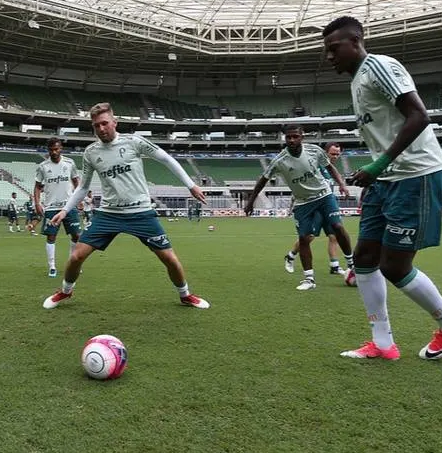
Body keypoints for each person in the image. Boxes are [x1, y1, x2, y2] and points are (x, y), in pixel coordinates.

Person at [322, 16, 442, 361]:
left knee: (394, 266)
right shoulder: (358, 80)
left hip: (416, 175)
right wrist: (377, 170)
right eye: (326, 50)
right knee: (364, 259)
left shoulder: (379, 67)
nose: (329, 57)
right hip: (387, 180)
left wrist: (378, 164)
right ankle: (383, 344)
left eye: (334, 49)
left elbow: (419, 115)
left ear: (356, 41)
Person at [42, 103, 209, 309]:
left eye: (104, 123)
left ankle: (185, 295)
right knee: (76, 256)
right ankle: (65, 292)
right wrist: (65, 210)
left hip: (141, 212)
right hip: (108, 214)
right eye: (96, 126)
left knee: (170, 258)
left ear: (114, 122)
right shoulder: (91, 153)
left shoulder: (134, 142)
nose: (101, 129)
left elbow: (166, 159)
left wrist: (191, 186)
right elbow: (82, 188)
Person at [244, 125, 355, 291]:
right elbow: (263, 180)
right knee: (304, 238)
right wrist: (250, 201)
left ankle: (352, 264)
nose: (291, 140)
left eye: (295, 136)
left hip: (324, 195)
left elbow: (330, 168)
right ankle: (309, 279)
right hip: (302, 202)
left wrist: (341, 184)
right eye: (288, 137)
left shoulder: (314, 151)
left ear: (302, 137)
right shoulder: (279, 160)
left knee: (337, 227)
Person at [281, 142, 352, 275]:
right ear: (325, 153)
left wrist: (342, 185)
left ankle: (334, 266)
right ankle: (290, 256)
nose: (335, 156)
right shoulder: (315, 166)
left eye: (338, 154)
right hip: (314, 206)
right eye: (332, 154)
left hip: (327, 204)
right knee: (309, 237)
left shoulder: (332, 169)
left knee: (334, 235)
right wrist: (292, 204)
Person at [34, 137, 81, 277]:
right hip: (51, 207)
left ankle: (73, 263)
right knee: (51, 237)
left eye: (56, 149)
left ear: (61, 148)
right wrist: (37, 203)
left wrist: (79, 199)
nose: (54, 152)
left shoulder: (69, 163)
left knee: (76, 235)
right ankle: (52, 267)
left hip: (69, 205)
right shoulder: (43, 166)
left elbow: (76, 181)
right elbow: (37, 187)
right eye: (51, 150)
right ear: (48, 150)